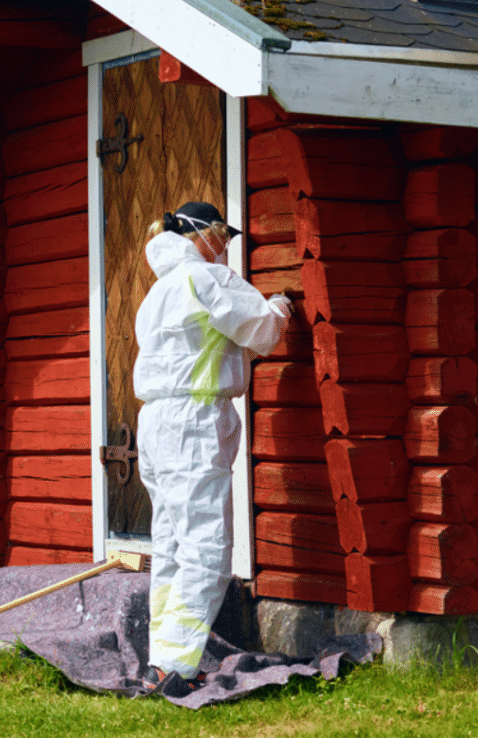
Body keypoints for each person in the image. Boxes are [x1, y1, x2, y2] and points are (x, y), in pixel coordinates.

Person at [133, 200, 292, 696]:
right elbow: (261, 331)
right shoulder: (206, 280)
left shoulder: (157, 291)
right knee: (205, 548)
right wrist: (281, 307)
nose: (225, 249)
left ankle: (162, 658)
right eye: (223, 238)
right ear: (202, 235)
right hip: (194, 422)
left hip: (155, 422)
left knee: (171, 545)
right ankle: (178, 668)